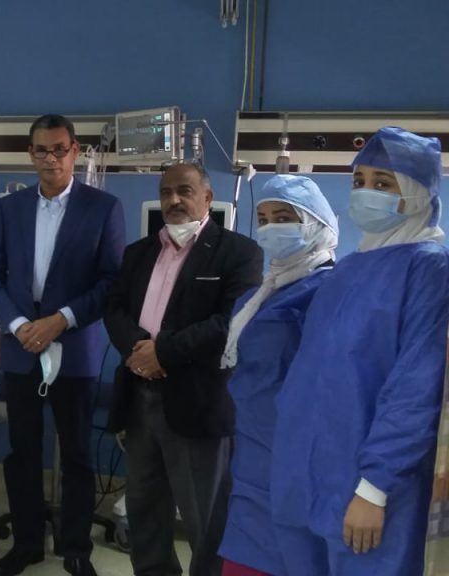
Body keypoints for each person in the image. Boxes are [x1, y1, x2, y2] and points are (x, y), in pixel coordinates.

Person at [270, 126, 449, 576]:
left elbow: (416, 387)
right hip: (308, 474)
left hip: (370, 486)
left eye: (383, 183)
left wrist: (375, 487)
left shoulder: (429, 269)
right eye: (359, 181)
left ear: (415, 194)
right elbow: (315, 375)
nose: (365, 192)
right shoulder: (348, 269)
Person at [0, 114, 126, 576]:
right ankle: (26, 544)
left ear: (75, 151)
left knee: (77, 453)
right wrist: (19, 323)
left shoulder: (103, 208)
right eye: (42, 150)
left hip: (75, 348)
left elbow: (112, 281)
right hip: (21, 347)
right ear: (31, 154)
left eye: (60, 149)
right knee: (22, 450)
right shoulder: (11, 209)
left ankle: (76, 548)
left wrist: (60, 319)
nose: (51, 158)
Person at [104, 163, 262, 576]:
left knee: (205, 517)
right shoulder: (138, 253)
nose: (174, 200)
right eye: (166, 192)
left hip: (197, 401)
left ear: (207, 197)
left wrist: (163, 353)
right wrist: (138, 349)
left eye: (184, 191)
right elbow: (114, 308)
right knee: (144, 506)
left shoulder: (238, 253)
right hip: (139, 398)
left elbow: (231, 321)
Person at [215, 175, 339, 576]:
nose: (270, 229)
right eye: (264, 220)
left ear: (317, 224)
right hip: (252, 455)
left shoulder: (330, 292)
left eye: (284, 218)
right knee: (242, 561)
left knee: (295, 559)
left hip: (301, 461)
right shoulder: (254, 298)